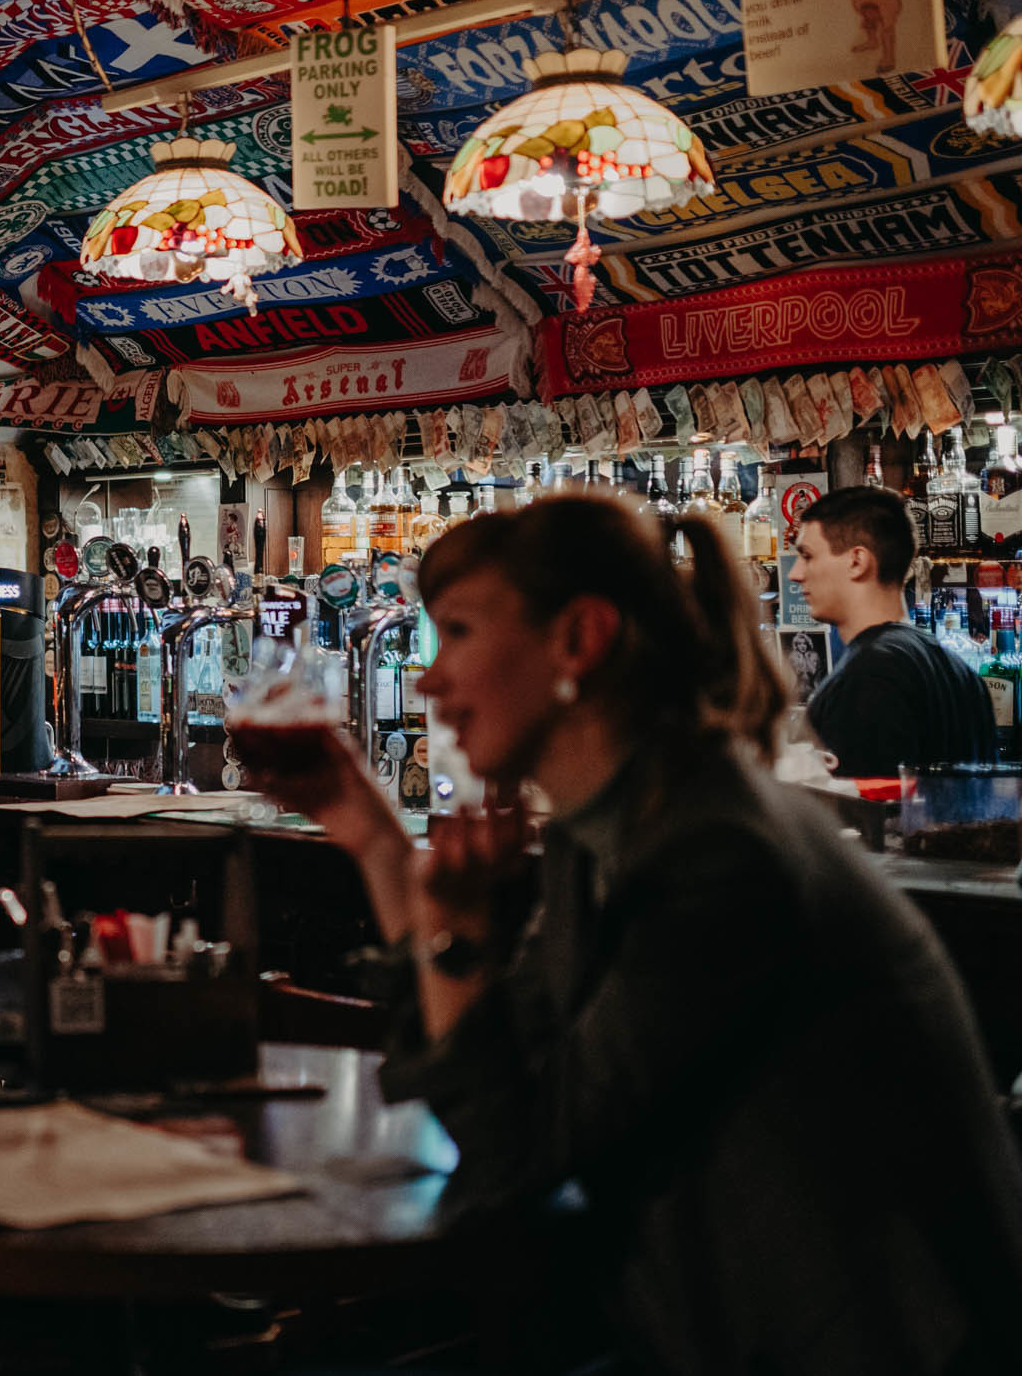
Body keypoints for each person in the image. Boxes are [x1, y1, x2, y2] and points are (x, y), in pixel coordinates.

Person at [249, 495, 1022, 1376]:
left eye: (457, 632)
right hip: (714, 1327)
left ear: (579, 639)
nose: (427, 677)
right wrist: (380, 846)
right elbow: (511, 1069)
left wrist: (456, 934)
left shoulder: (717, 853)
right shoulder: (615, 828)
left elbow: (517, 1155)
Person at [788, 484, 996, 777]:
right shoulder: (962, 674)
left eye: (807, 555)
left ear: (857, 561)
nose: (794, 574)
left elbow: (864, 816)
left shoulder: (868, 676)